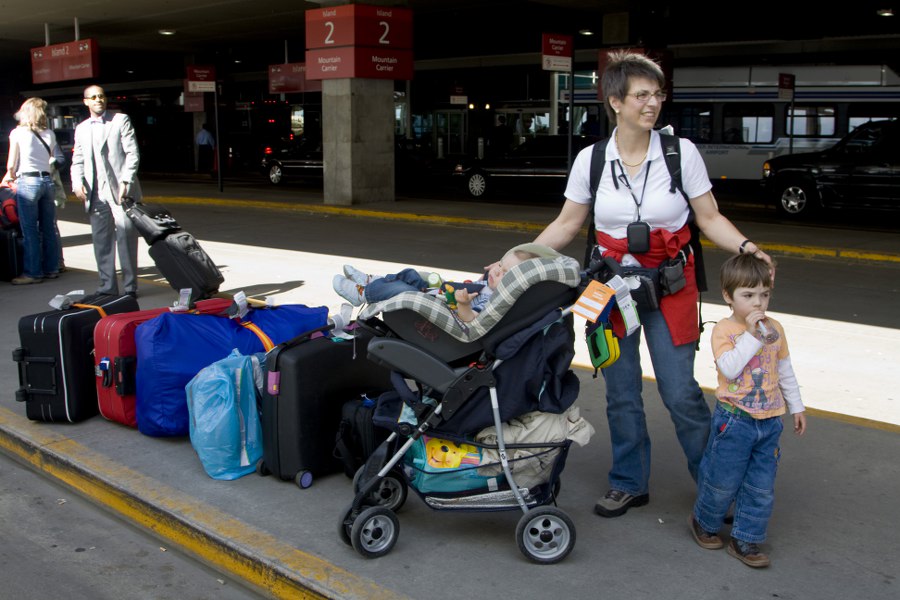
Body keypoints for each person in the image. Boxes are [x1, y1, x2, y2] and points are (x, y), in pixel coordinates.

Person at [531, 50, 774, 518]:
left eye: (657, 94)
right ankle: (628, 481)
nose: (652, 103)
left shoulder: (681, 154)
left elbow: (709, 218)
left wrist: (747, 247)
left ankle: (714, 484)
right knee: (621, 392)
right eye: (641, 95)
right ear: (615, 101)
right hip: (613, 289)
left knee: (680, 390)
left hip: (671, 285)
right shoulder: (592, 159)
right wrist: (520, 256)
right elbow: (566, 225)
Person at [689, 253, 805, 568]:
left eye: (764, 295)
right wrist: (752, 336)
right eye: (748, 295)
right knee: (722, 479)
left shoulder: (775, 328)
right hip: (734, 420)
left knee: (761, 485)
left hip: (769, 421)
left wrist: (796, 406)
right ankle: (705, 521)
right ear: (729, 296)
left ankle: (746, 539)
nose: (758, 304)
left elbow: (784, 369)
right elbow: (729, 367)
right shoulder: (725, 330)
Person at [333, 248, 538, 322]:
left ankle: (364, 293)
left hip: (440, 308)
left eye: (504, 273)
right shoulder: (489, 284)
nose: (496, 271)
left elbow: (472, 319)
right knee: (411, 274)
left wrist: (464, 305)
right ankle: (372, 281)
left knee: (402, 291)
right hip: (439, 293)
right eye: (499, 265)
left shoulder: (494, 301)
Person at [71, 84, 142, 298]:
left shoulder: (120, 120)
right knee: (101, 241)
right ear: (86, 102)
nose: (98, 100)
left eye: (101, 96)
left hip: (121, 191)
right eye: (93, 97)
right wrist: (76, 182)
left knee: (126, 238)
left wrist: (126, 181)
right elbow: (78, 159)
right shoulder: (82, 128)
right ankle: (106, 286)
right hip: (95, 193)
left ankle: (130, 287)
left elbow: (132, 153)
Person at [3, 97, 60, 284]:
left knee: (30, 230)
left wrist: (9, 175)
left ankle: (32, 273)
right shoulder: (49, 134)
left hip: (28, 181)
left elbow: (12, 163)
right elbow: (51, 158)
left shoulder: (18, 133)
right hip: (47, 182)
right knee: (48, 228)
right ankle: (52, 268)